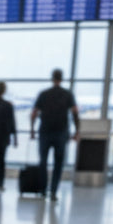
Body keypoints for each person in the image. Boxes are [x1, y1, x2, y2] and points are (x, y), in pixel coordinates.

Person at [30, 68, 80, 202]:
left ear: (52, 78)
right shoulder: (68, 94)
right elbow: (75, 113)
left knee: (43, 162)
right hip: (61, 132)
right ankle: (53, 191)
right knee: (58, 163)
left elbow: (34, 113)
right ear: (61, 78)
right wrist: (77, 131)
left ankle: (42, 190)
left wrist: (32, 130)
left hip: (45, 131)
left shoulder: (44, 94)